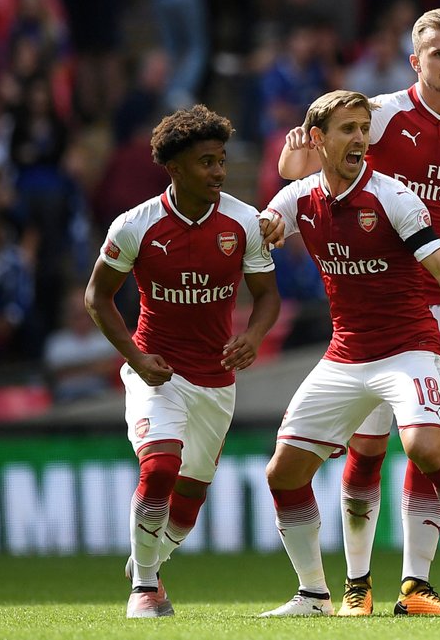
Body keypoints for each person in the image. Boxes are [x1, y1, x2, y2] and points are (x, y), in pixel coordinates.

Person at [274, 7, 440, 616]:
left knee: (424, 448)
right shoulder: (376, 114)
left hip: (433, 301)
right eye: (438, 55)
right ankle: (355, 588)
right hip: (371, 303)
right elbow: (305, 176)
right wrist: (292, 169)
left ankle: (416, 583)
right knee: (368, 449)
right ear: (415, 61)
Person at [84, 105, 280, 618]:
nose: (218, 172)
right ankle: (145, 588)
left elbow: (267, 297)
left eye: (221, 161)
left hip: (217, 380)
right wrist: (136, 356)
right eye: (206, 163)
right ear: (174, 168)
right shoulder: (135, 225)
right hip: (158, 373)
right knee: (160, 468)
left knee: (188, 507)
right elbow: (97, 298)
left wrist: (254, 336)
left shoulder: (243, 221)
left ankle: (143, 558)